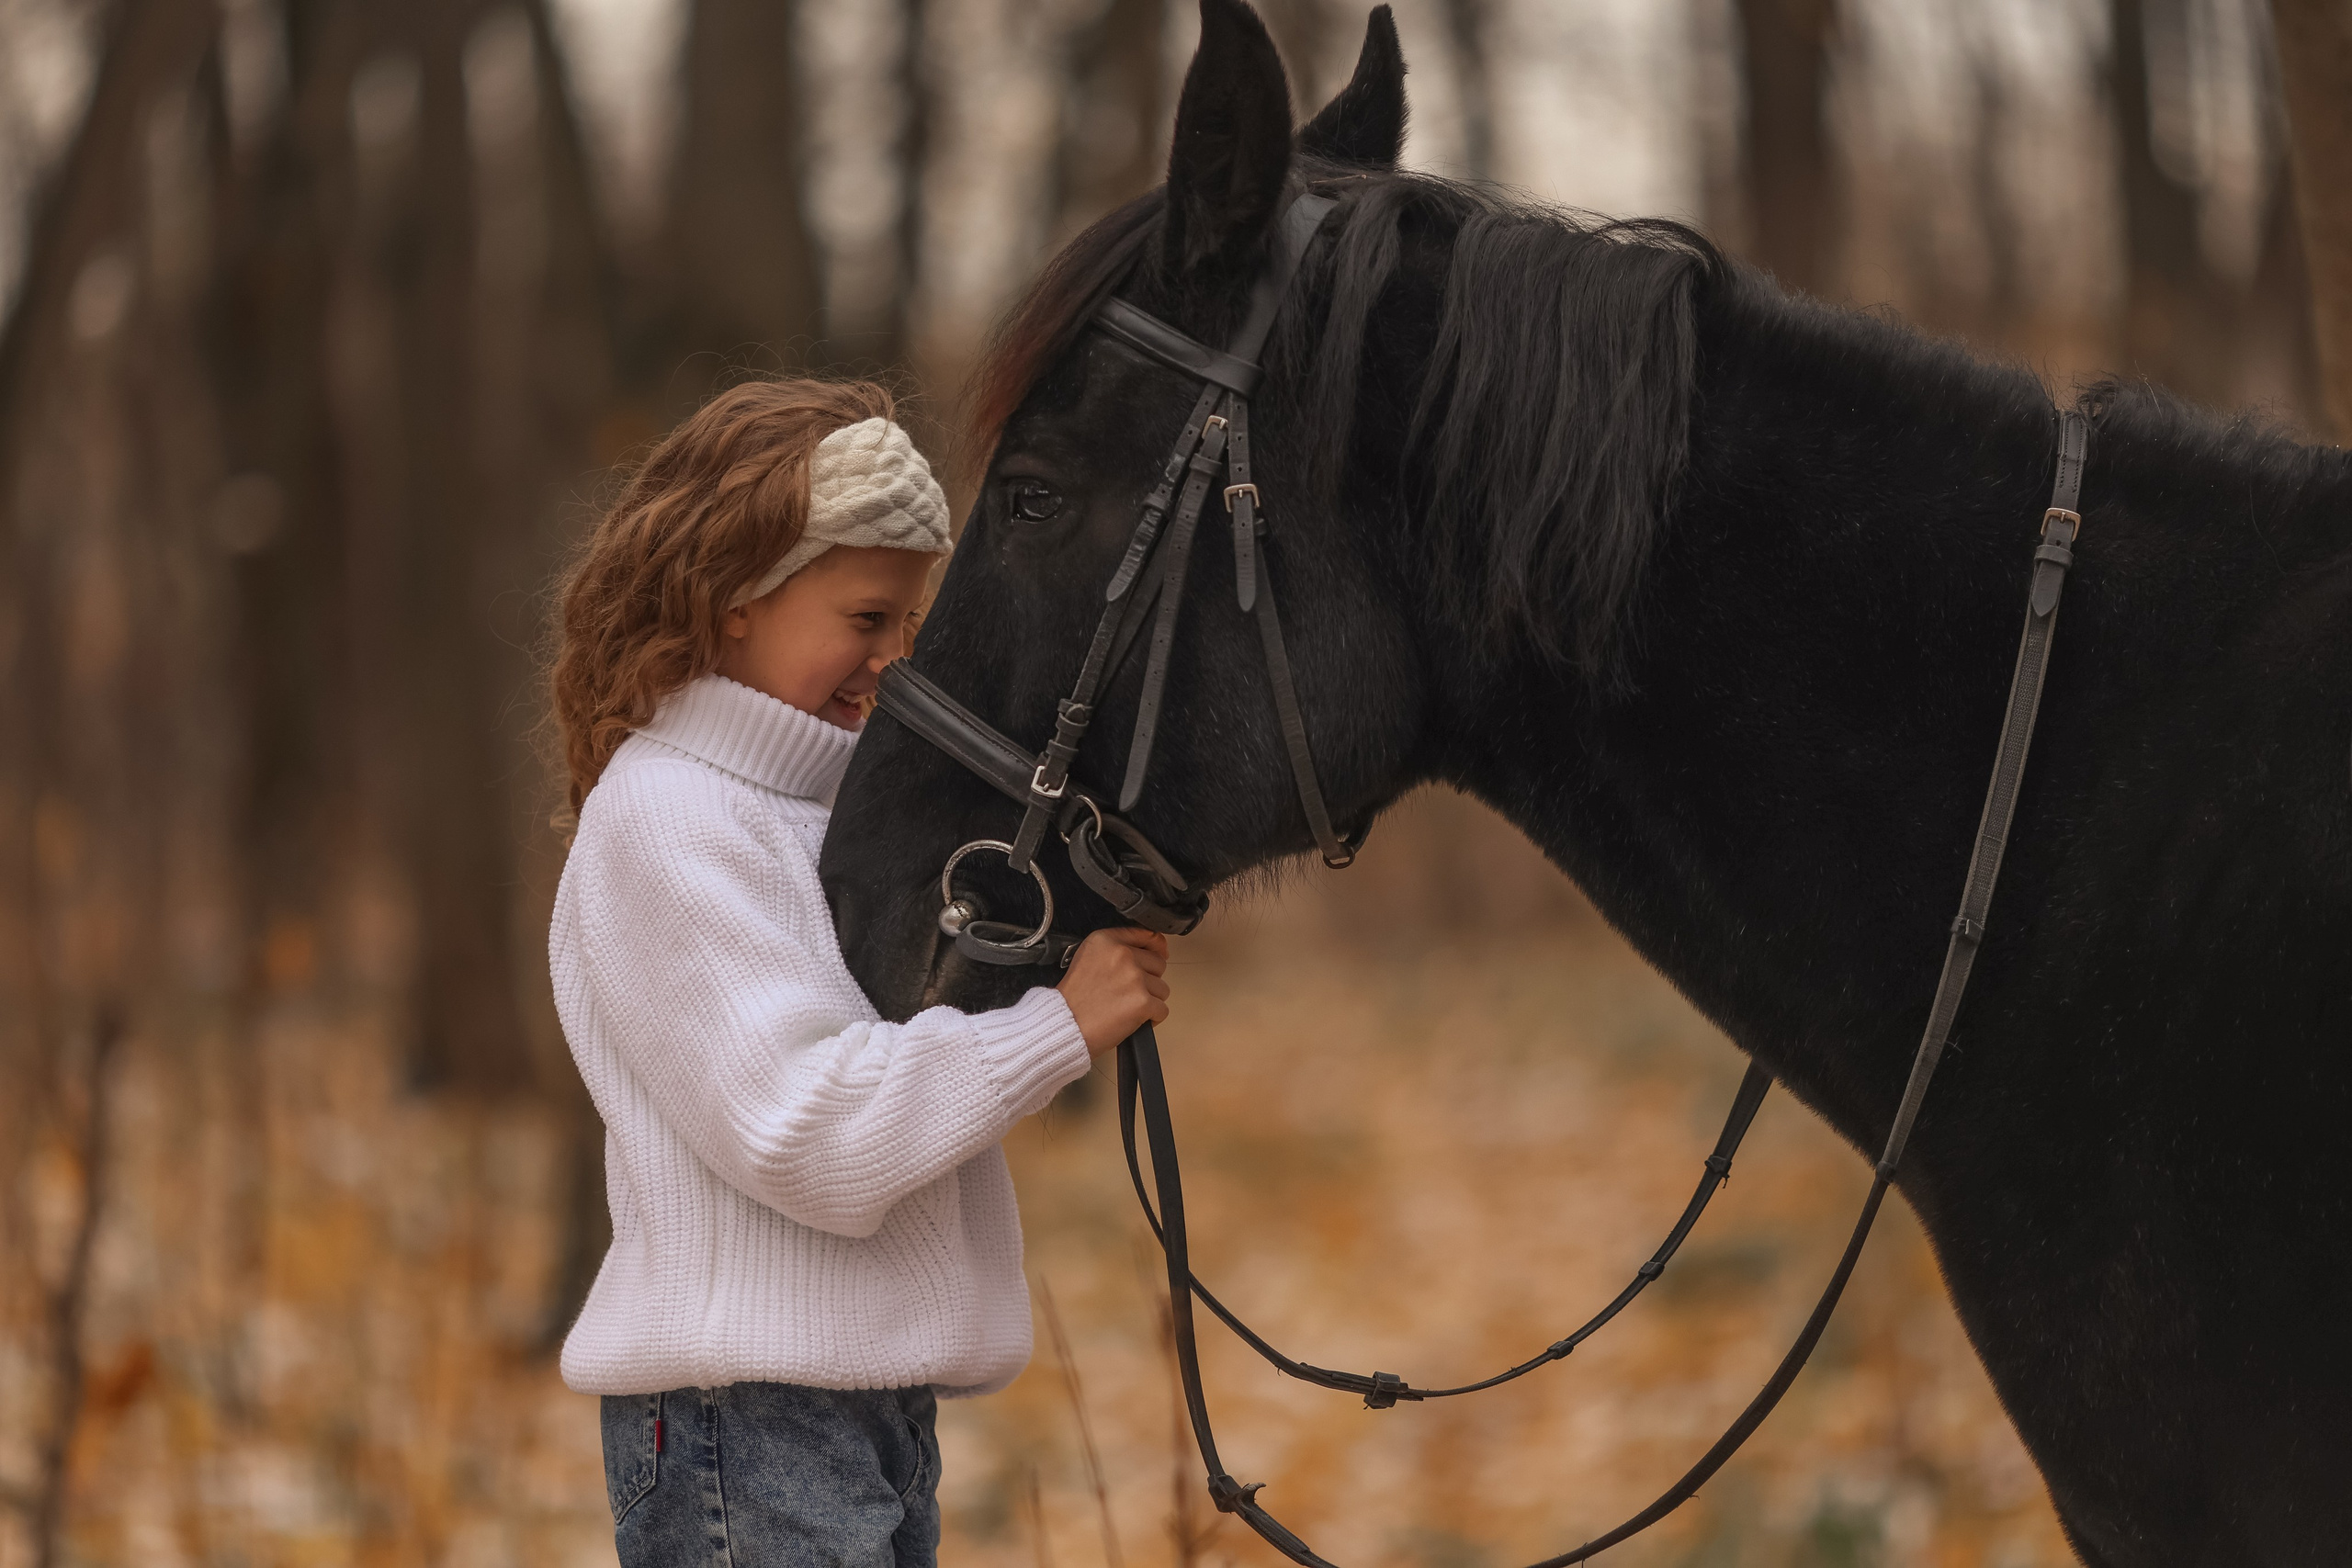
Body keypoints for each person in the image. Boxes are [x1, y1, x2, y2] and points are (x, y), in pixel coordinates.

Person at [546, 378, 1170, 1567]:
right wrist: (1053, 1030)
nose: (893, 663)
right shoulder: (673, 821)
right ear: (734, 600)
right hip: (747, 1419)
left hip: (856, 1407)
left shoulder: (820, 815)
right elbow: (807, 1130)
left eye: (909, 630)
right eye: (866, 620)